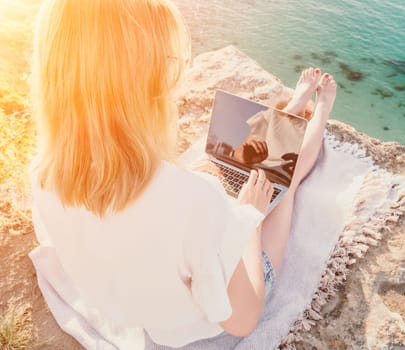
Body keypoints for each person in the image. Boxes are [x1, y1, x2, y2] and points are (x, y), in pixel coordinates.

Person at [30, 0, 337, 348]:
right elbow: (243, 319)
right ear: (145, 86)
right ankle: (318, 113)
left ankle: (295, 109)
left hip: (147, 298)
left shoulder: (42, 175)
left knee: (230, 163)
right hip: (201, 320)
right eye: (170, 64)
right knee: (283, 179)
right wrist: (248, 218)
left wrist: (200, 190)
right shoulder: (194, 200)